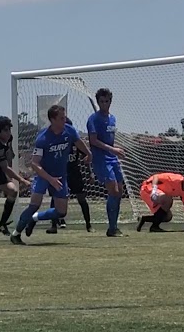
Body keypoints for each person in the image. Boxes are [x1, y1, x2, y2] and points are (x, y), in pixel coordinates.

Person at [11, 104, 95, 245]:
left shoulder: (69, 131)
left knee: (61, 212)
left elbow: (78, 142)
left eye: (65, 117)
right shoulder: (42, 139)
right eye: (61, 118)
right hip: (43, 176)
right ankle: (16, 234)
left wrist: (89, 153)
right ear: (52, 120)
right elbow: (34, 164)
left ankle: (34, 219)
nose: (65, 120)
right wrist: (50, 179)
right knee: (34, 205)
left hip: (61, 176)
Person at [86, 87, 128, 236]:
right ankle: (112, 227)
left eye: (107, 101)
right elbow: (93, 141)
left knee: (120, 191)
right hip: (101, 158)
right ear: (98, 103)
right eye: (102, 101)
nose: (105, 104)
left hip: (112, 157)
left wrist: (117, 148)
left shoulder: (112, 118)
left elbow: (109, 140)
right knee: (113, 190)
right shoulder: (93, 119)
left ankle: (114, 226)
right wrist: (112, 150)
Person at [47, 131, 93, 233]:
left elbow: (86, 155)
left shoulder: (75, 143)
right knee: (56, 199)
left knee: (81, 198)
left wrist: (90, 172)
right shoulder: (56, 143)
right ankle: (54, 225)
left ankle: (88, 225)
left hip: (74, 174)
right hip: (60, 174)